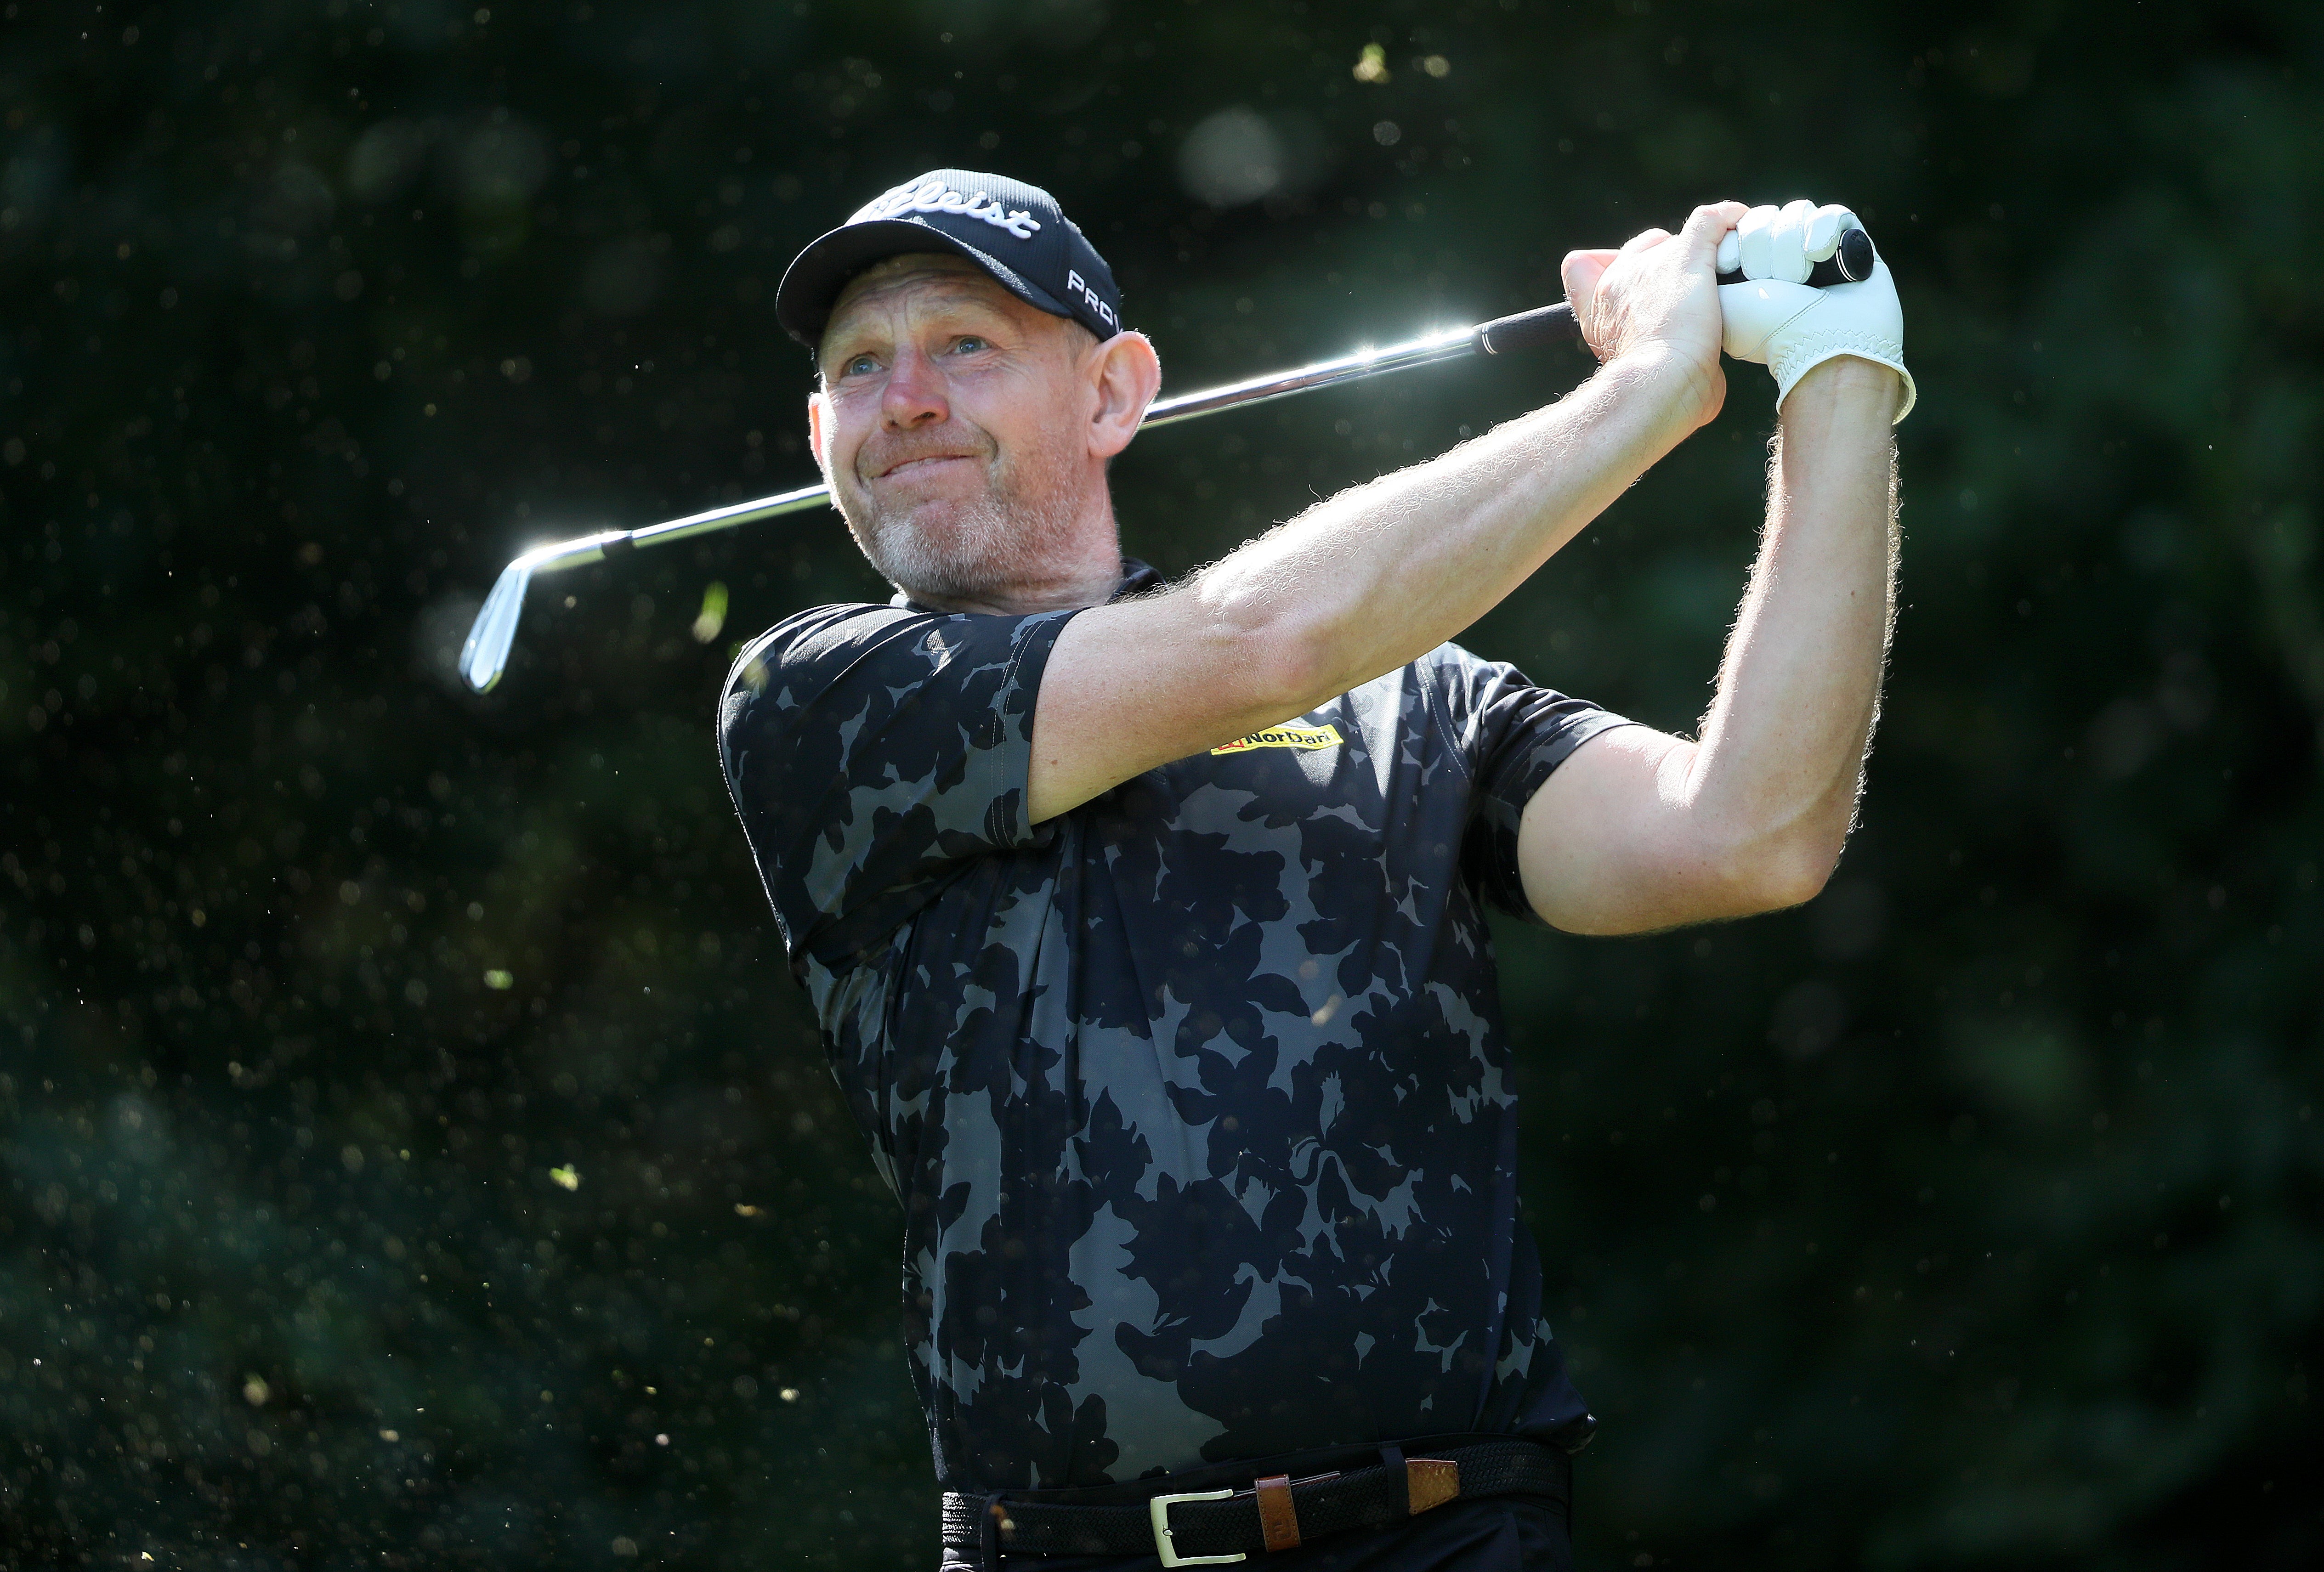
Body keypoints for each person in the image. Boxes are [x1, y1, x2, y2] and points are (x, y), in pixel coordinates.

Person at [720, 170, 1910, 1571]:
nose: (905, 396)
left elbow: (1747, 835)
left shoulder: (1414, 701)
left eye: (964, 344)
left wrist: (1839, 378)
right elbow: (1256, 645)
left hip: (1444, 1541)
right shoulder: (820, 701)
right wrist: (1646, 386)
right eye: (859, 368)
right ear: (819, 436)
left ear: (1115, 394)